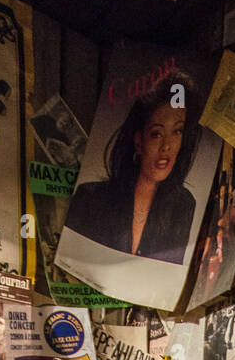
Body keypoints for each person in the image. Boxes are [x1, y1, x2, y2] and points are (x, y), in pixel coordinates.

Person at [64, 73, 201, 265]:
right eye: (156, 134)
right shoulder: (90, 198)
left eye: (177, 131)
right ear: (138, 142)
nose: (167, 146)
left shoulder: (183, 205)